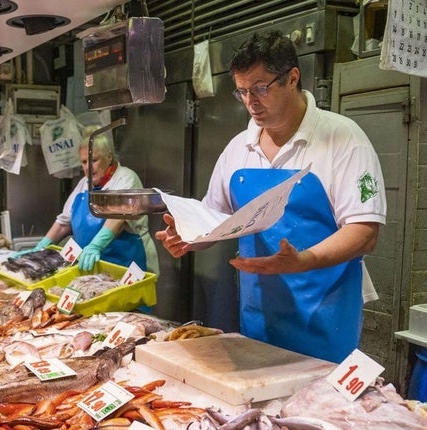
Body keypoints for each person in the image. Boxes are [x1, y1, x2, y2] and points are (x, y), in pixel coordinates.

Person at [155, 31, 386, 363]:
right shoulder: (238, 148)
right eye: (243, 91)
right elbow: (215, 218)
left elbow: (365, 232)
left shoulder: (344, 138)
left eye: (261, 88)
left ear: (292, 78)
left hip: (324, 313)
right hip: (259, 313)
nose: (251, 101)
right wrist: (189, 238)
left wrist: (301, 261)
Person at [26, 125, 158, 274]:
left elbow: (118, 218)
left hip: (127, 264)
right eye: (83, 162)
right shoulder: (84, 184)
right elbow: (64, 223)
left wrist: (95, 245)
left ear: (109, 157)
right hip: (92, 265)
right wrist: (40, 248)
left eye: (94, 160)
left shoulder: (126, 178)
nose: (88, 167)